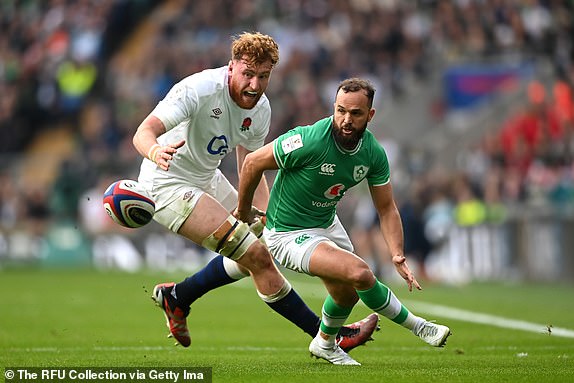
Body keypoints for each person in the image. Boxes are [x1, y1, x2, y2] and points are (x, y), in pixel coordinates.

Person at [132, 32, 378, 351]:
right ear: (231, 66)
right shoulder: (198, 89)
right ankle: (328, 336)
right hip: (165, 182)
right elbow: (143, 132)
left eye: (263, 77)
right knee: (256, 256)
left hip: (207, 177)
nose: (254, 85)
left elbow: (251, 165)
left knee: (263, 243)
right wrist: (156, 152)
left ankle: (177, 297)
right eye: (248, 74)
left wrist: (267, 221)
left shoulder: (260, 109)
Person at [235, 78, 452, 365]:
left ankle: (324, 343)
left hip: (327, 224)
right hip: (288, 233)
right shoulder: (309, 139)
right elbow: (252, 162)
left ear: (370, 115)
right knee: (361, 273)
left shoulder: (373, 153)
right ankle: (419, 326)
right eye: (340, 111)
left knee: (346, 295)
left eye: (356, 113)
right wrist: (244, 209)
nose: (346, 120)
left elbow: (386, 208)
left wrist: (397, 253)